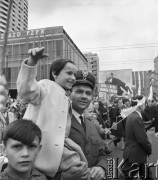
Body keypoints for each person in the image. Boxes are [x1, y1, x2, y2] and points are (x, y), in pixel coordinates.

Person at [17, 47, 88, 179]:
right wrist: (32, 62)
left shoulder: (65, 97)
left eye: (74, 75)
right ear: (55, 73)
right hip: (37, 157)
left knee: (81, 169)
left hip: (56, 155)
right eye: (69, 73)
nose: (73, 78)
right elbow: (26, 91)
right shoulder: (46, 86)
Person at [63, 70, 107, 180]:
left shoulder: (92, 125)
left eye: (88, 93)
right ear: (69, 93)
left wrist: (102, 167)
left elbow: (104, 154)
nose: (84, 96)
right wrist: (62, 176)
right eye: (79, 91)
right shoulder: (59, 122)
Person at [119, 95, 153, 180]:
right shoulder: (136, 118)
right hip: (135, 155)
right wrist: (149, 149)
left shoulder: (131, 116)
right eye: (144, 104)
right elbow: (142, 140)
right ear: (140, 105)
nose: (145, 106)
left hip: (134, 154)